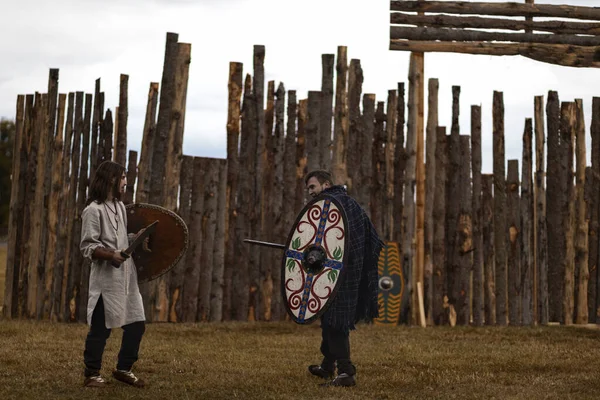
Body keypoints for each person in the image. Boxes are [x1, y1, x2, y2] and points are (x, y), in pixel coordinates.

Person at [304, 170, 384, 387]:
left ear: (326, 184)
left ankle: (346, 372)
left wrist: (347, 261)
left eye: (313, 187)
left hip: (343, 273)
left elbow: (366, 238)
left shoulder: (340, 205)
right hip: (334, 271)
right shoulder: (335, 205)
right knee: (328, 318)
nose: (310, 192)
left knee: (336, 321)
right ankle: (328, 366)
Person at [80, 160, 146, 388]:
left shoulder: (119, 207)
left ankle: (123, 368)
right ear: (110, 179)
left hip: (126, 279)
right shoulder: (92, 210)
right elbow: (88, 246)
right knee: (101, 328)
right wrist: (111, 255)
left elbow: (118, 240)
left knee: (136, 323)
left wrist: (133, 239)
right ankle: (91, 373)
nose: (126, 182)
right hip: (105, 280)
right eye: (123, 177)